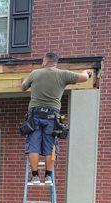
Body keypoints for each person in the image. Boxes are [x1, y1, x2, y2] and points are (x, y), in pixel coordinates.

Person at [21, 52, 91, 184]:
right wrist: (86, 72)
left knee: (33, 146)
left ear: (45, 61)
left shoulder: (35, 73)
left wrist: (26, 80)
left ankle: (35, 176)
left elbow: (23, 86)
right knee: (50, 146)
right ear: (55, 62)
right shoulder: (63, 74)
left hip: (34, 115)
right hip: (52, 116)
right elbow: (84, 78)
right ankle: (48, 176)